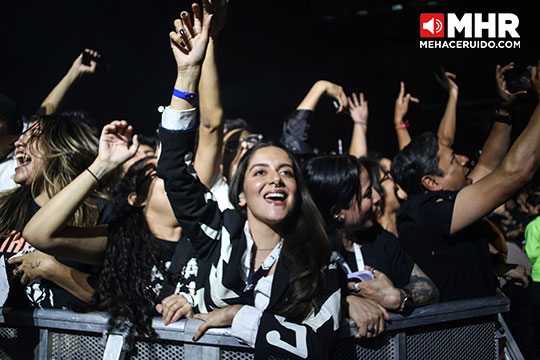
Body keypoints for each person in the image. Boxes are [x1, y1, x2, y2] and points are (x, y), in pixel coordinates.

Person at [156, 6, 341, 358]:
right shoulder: (218, 233)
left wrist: (241, 317)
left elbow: (319, 347)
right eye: (261, 172)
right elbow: (176, 172)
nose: (276, 179)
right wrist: (187, 74)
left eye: (286, 172)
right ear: (239, 194)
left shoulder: (317, 257)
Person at [22, 120, 199, 338]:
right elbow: (37, 235)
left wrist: (191, 302)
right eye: (157, 174)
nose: (171, 179)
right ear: (136, 199)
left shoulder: (208, 237)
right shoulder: (121, 239)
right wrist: (102, 164)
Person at [304, 155, 438, 338]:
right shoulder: (310, 252)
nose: (377, 197)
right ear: (337, 212)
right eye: (367, 194)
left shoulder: (379, 239)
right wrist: (344, 303)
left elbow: (429, 289)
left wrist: (397, 297)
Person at [0, 113, 111, 309]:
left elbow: (116, 299)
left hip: (69, 338)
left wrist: (52, 270)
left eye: (33, 137)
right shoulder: (4, 207)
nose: (18, 143)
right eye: (20, 137)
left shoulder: (99, 212)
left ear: (61, 147)